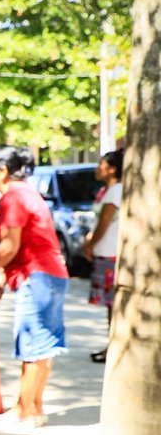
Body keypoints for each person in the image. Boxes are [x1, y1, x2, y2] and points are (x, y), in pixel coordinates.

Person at [0, 145, 69, 430]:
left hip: (38, 275)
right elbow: (25, 242)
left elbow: (10, 245)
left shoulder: (14, 197)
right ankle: (35, 407)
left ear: (2, 171)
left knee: (32, 344)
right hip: (50, 273)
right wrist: (2, 278)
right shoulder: (27, 192)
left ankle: (23, 411)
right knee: (44, 346)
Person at [83, 148, 123, 362]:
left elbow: (105, 222)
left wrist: (90, 244)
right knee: (110, 304)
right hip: (105, 251)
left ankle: (113, 349)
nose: (98, 168)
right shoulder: (108, 191)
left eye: (102, 165)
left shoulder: (116, 191)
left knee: (113, 304)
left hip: (110, 253)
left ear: (113, 169)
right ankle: (111, 347)